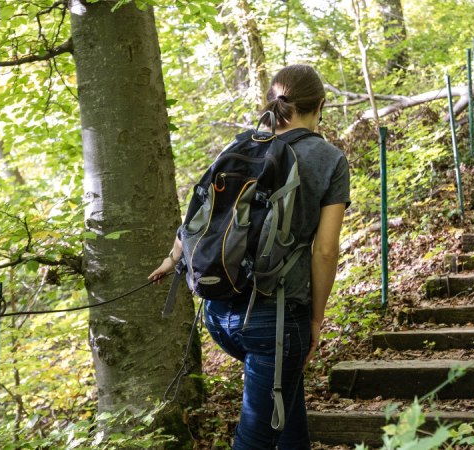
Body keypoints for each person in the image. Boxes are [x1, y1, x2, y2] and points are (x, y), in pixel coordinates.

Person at [148, 64, 350, 450]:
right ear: (320, 105)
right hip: (272, 321)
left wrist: (173, 259)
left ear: (274, 104)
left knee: (288, 413)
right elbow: (325, 250)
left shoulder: (239, 146)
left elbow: (202, 213)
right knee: (255, 439)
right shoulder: (328, 159)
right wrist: (316, 318)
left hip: (217, 311)